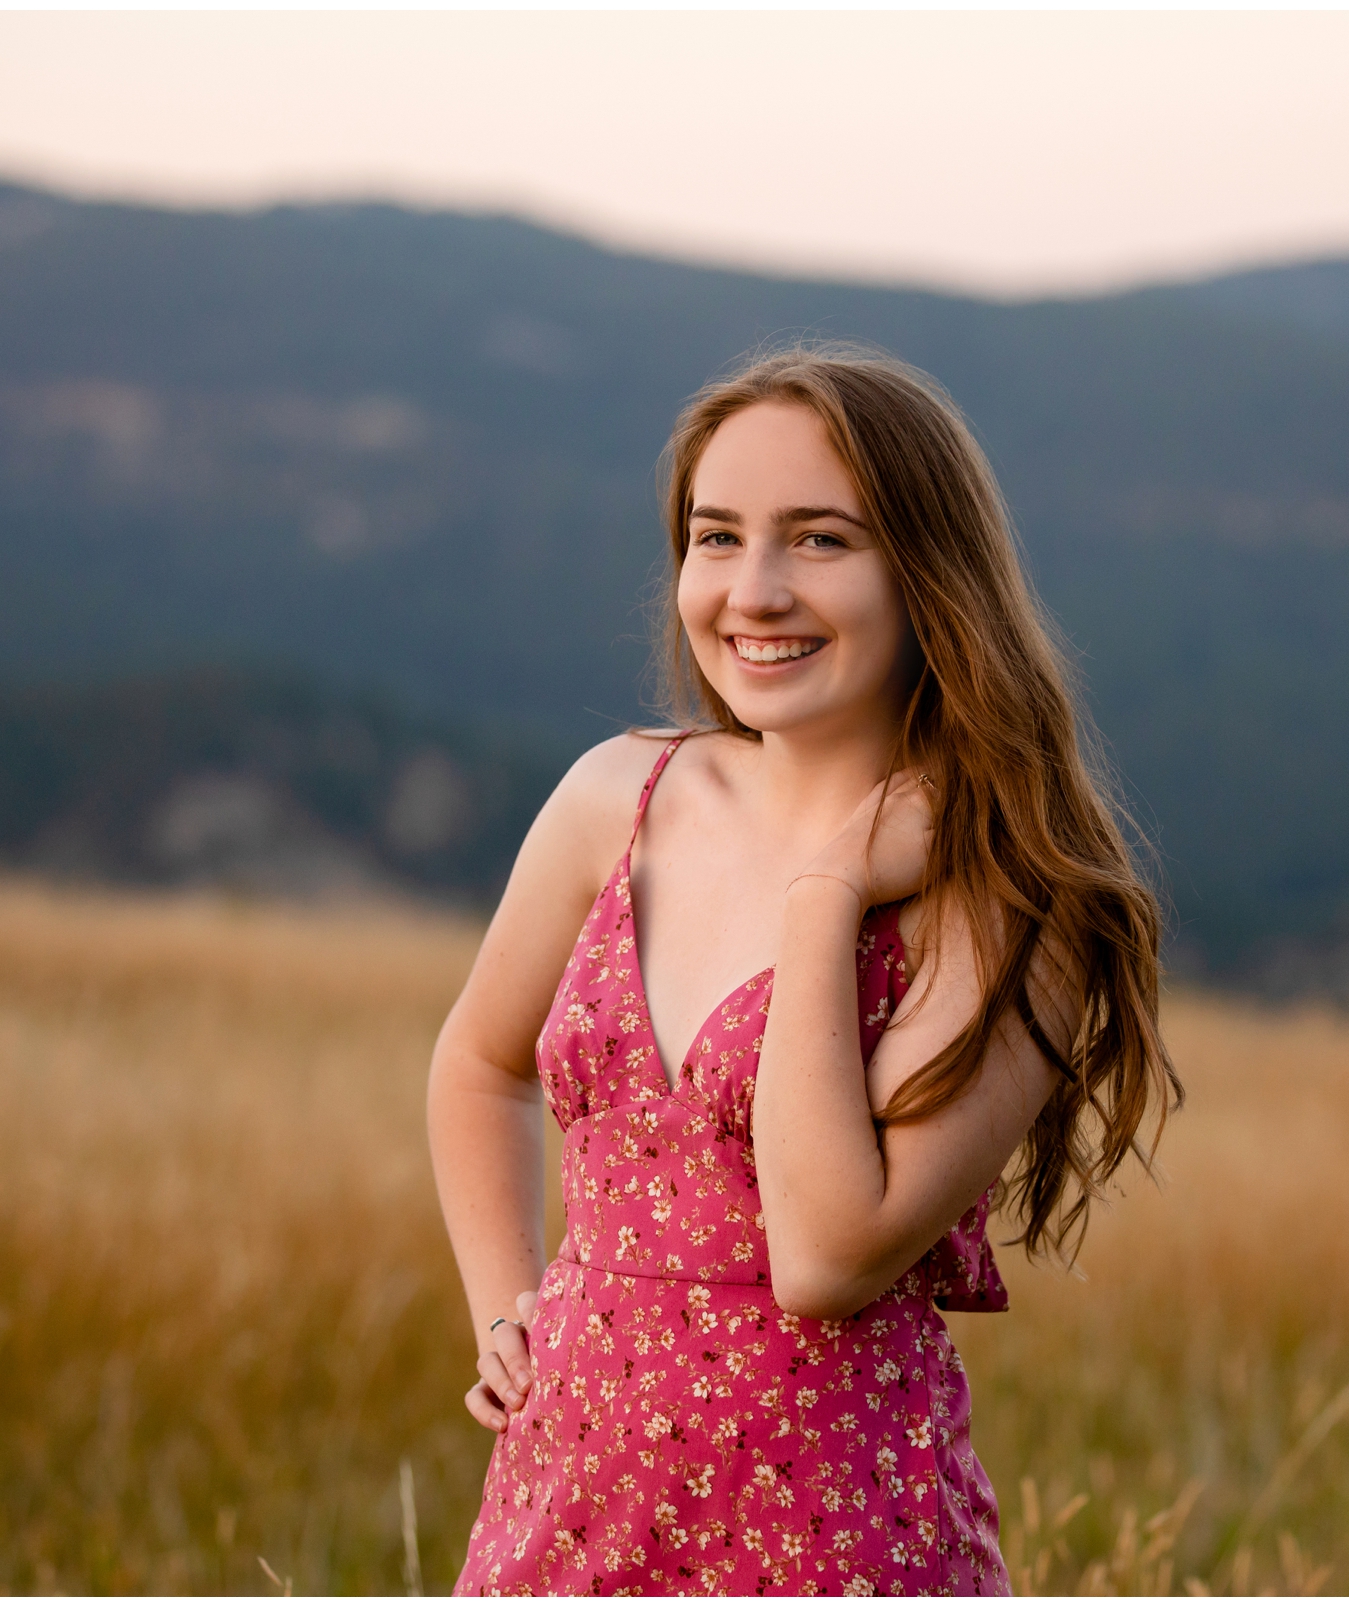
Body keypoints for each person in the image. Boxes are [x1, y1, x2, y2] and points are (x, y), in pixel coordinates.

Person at [427, 344, 1177, 1596]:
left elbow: (828, 1255)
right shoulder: (619, 794)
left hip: (833, 1536)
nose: (754, 590)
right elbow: (479, 1061)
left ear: (929, 575)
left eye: (820, 540)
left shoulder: (1009, 902)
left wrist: (827, 894)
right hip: (562, 1508)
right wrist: (505, 1303)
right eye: (716, 537)